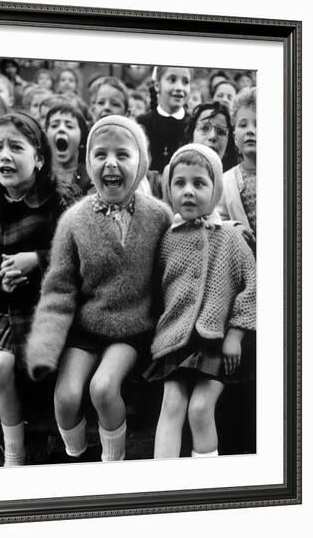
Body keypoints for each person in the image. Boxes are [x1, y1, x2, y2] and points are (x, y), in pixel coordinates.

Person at [25, 116, 172, 462]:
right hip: (87, 328)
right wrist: (46, 345)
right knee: (66, 397)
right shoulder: (74, 220)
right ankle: (77, 455)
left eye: (123, 154)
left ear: (142, 163)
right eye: (100, 154)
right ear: (89, 162)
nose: (111, 163)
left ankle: (112, 462)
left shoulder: (159, 216)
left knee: (103, 388)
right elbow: (58, 287)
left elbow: (177, 264)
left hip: (133, 328)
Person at [145, 143, 256, 459]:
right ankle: (162, 486)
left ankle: (206, 482)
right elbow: (156, 289)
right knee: (172, 402)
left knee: (200, 407)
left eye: (199, 183)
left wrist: (235, 334)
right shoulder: (167, 239)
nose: (188, 192)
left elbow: (253, 287)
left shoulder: (230, 238)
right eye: (179, 184)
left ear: (216, 188)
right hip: (176, 340)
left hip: (217, 343)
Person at [0, 112, 71, 466]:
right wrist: (0, 279)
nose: (4, 156)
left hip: (50, 307)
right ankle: (14, 452)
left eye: (15, 147)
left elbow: (79, 255)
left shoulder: (59, 199)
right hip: (4, 308)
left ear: (38, 157)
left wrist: (36, 260)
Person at [218, 88, 257, 242]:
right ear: (234, 137)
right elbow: (217, 220)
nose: (250, 131)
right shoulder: (226, 182)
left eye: (258, 124)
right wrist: (231, 227)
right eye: (243, 125)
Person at [137, 66, 192, 172]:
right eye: (172, 80)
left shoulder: (193, 125)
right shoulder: (142, 123)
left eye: (185, 82)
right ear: (157, 85)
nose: (179, 87)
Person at [45, 102, 92, 201]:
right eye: (54, 126)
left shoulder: (91, 178)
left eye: (69, 126)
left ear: (82, 137)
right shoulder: (38, 176)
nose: (61, 129)